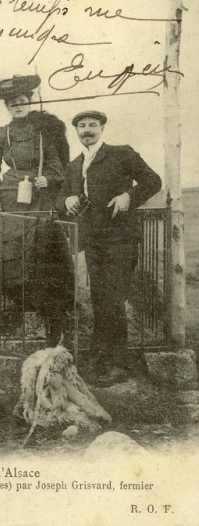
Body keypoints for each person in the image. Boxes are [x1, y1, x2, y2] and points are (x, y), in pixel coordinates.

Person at [56, 110, 162, 384]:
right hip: (93, 241)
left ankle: (117, 363)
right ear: (76, 131)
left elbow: (153, 181)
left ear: (102, 128)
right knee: (100, 299)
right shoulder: (75, 165)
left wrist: (129, 196)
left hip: (120, 238)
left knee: (113, 299)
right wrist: (67, 199)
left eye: (93, 125)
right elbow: (60, 198)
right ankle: (102, 360)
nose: (87, 130)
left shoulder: (121, 154)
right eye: (82, 126)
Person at [0, 75, 73, 344]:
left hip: (40, 197)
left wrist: (49, 178)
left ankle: (52, 316)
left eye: (22, 101)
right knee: (14, 251)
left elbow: (57, 164)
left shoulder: (43, 131)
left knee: (41, 249)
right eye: (13, 103)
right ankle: (18, 307)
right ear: (7, 107)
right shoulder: (1, 135)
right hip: (11, 194)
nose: (18, 106)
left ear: (30, 103)